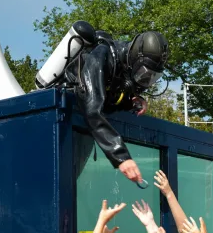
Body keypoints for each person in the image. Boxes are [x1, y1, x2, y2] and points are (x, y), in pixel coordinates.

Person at [54, 28, 169, 185]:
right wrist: (121, 156)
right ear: (134, 58)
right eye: (144, 74)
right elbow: (92, 108)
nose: (145, 81)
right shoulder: (101, 55)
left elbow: (109, 101)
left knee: (72, 180)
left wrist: (131, 102)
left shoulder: (123, 69)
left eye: (151, 77)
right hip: (63, 121)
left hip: (84, 127)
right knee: (62, 180)